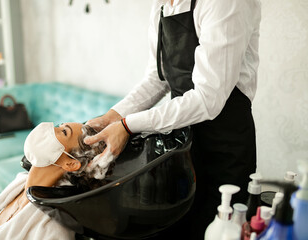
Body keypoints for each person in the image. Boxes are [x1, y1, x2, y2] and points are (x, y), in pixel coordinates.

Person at [84, 0, 261, 238]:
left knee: (218, 228)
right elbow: (157, 79)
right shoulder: (162, 5)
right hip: (181, 141)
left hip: (226, 147)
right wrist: (112, 116)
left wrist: (128, 126)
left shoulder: (224, 3)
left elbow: (208, 100)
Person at [0, 122, 105, 239]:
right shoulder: (21, 182)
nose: (50, 128)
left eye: (63, 132)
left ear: (70, 163)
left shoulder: (52, 226)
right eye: (59, 126)